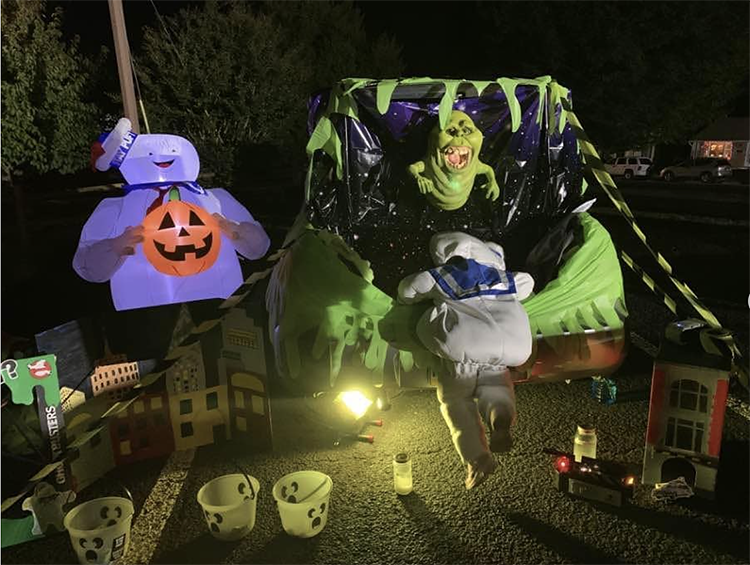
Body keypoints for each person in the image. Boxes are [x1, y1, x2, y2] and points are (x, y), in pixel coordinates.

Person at [73, 118, 270, 359]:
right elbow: (86, 267)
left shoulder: (215, 200)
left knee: (224, 366)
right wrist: (115, 246)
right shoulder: (115, 209)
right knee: (156, 376)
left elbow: (259, 248)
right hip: (145, 312)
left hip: (216, 306)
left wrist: (234, 230)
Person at [397, 232, 534, 489]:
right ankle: (499, 416)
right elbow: (527, 283)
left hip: (464, 345)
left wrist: (406, 300)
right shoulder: (503, 277)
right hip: (509, 346)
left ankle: (477, 458)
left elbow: (408, 289)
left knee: (456, 401)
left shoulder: (445, 274)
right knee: (495, 385)